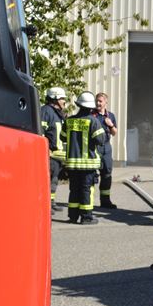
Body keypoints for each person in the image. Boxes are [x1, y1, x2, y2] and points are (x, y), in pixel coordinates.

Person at [64, 91, 106, 225]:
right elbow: (101, 140)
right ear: (91, 107)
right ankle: (87, 217)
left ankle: (73, 216)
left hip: (72, 164)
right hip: (88, 164)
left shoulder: (69, 121)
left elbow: (62, 137)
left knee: (74, 189)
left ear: (79, 105)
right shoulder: (93, 121)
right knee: (86, 190)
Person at [40, 87, 67, 211]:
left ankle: (51, 202)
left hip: (57, 156)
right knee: (47, 181)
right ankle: (45, 206)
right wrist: (45, 150)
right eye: (62, 98)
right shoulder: (45, 111)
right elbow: (40, 132)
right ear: (55, 98)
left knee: (54, 180)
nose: (64, 102)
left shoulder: (58, 113)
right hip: (49, 154)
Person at [94, 92, 118, 209]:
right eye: (97, 101)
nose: (98, 103)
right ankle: (87, 201)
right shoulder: (92, 115)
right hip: (95, 147)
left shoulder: (111, 116)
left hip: (106, 147)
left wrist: (111, 124)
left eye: (100, 101)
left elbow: (114, 133)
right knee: (92, 174)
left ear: (105, 102)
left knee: (107, 173)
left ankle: (105, 201)